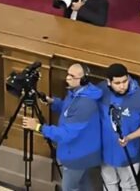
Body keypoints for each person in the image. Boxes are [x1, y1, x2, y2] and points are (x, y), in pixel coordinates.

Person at [23, 63, 102, 191]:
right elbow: (69, 110)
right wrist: (53, 102)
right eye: (68, 74)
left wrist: (39, 127)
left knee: (69, 188)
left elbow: (67, 133)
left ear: (83, 80)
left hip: (78, 155)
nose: (67, 78)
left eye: (72, 76)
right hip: (81, 152)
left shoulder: (85, 103)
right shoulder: (77, 92)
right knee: (82, 183)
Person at [98, 64, 140, 191]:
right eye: (117, 83)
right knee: (109, 184)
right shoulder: (100, 91)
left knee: (129, 187)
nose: (122, 86)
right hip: (106, 152)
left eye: (125, 81)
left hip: (129, 154)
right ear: (108, 82)